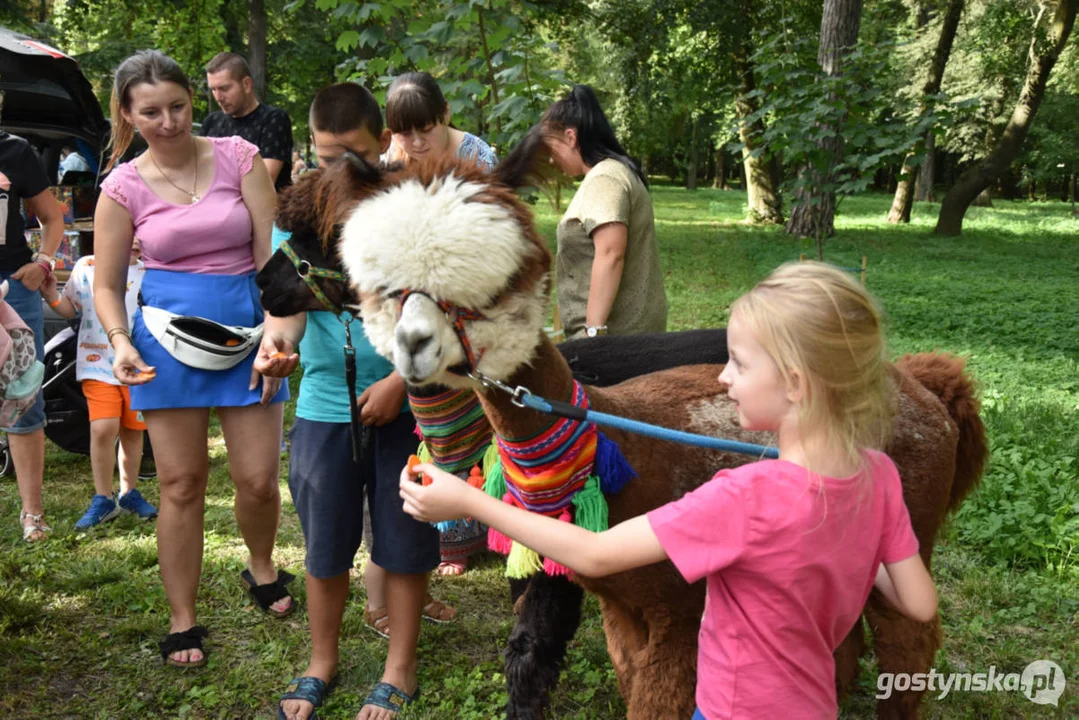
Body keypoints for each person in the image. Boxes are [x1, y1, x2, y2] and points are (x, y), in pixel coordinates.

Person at [401, 262, 939, 720]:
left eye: (739, 363)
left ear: (796, 383)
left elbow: (594, 552)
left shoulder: (745, 496)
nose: (721, 377)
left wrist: (471, 502)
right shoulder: (878, 475)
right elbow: (917, 601)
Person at [93, 50, 292, 669]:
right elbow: (106, 282)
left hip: (248, 330)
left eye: (178, 106)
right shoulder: (121, 186)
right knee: (180, 483)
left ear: (192, 100)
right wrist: (120, 341)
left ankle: (260, 566)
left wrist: (278, 333)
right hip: (165, 340)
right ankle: (182, 617)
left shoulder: (239, 156)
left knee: (258, 480)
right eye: (151, 112)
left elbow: (273, 255)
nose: (170, 121)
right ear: (127, 115)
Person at [255, 82, 437, 720]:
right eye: (327, 155)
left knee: (405, 540)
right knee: (325, 545)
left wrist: (401, 385)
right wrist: (277, 350)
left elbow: (449, 312)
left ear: (383, 142)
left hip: (409, 407)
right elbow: (287, 311)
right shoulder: (297, 212)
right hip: (325, 410)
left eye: (353, 154)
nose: (339, 170)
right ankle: (321, 661)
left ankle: (400, 667)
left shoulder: (415, 210)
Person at [382, 69, 496, 578]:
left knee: (484, 413)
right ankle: (453, 537)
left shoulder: (478, 157)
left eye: (423, 129)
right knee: (437, 419)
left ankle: (496, 519)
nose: (413, 142)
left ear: (445, 115)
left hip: (472, 304)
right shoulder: (393, 160)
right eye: (403, 132)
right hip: (418, 302)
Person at [41, 240, 159, 529]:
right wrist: (51, 296)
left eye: (139, 232)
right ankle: (103, 498)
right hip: (96, 363)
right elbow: (70, 309)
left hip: (138, 366)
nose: (133, 240)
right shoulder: (86, 266)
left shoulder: (152, 271)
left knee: (133, 432)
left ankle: (129, 492)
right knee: (102, 427)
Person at [538, 84, 667, 341]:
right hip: (626, 338)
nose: (551, 160)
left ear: (571, 137)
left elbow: (610, 254)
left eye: (550, 148)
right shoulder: (613, 172)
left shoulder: (604, 178)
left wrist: (594, 333)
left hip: (615, 343)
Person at [1, 127, 66, 542]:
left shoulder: (14, 150)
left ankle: (33, 513)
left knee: (23, 396)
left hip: (15, 287)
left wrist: (42, 262)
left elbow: (53, 216)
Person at [202, 52, 294, 192]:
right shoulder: (211, 122)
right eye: (213, 90)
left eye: (224, 88)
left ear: (246, 84)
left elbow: (264, 182)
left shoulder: (273, 120)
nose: (218, 97)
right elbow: (196, 174)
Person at [384, 71, 497, 172]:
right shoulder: (388, 154)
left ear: (446, 112)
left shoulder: (480, 161)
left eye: (426, 130)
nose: (418, 143)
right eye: (405, 134)